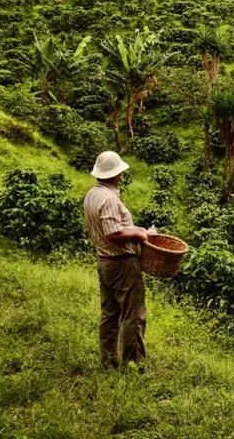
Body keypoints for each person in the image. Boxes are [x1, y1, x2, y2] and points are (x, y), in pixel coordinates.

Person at [83, 151, 150, 370]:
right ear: (116, 174)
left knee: (109, 313)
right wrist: (139, 234)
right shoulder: (109, 198)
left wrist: (135, 228)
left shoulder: (92, 194)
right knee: (134, 315)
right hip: (122, 264)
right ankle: (132, 363)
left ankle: (108, 360)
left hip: (105, 261)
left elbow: (110, 230)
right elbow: (114, 234)